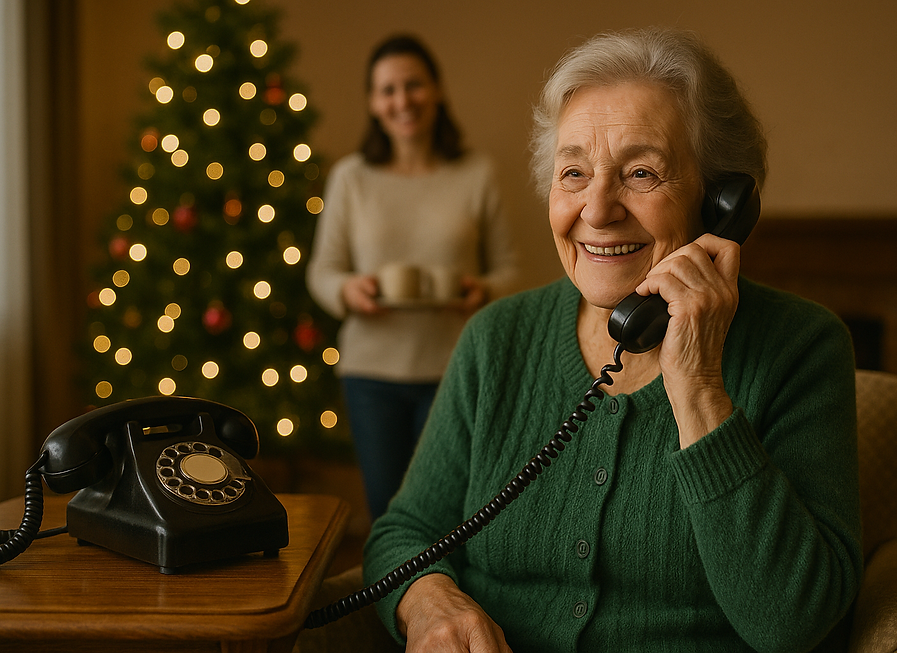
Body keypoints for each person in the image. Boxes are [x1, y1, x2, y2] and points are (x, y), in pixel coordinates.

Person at [362, 27, 863, 652]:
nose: (597, 210)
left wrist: (700, 387)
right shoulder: (498, 341)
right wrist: (431, 602)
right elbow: (404, 531)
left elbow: (794, 623)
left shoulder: (803, 348)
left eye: (641, 173)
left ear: (720, 203)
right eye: (573, 172)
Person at [306, 35, 518, 521]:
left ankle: (442, 599)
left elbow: (511, 269)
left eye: (414, 85)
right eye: (388, 90)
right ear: (373, 103)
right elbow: (322, 270)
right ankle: (394, 599)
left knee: (448, 514)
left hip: (454, 369)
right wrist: (347, 290)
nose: (402, 100)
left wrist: (483, 291)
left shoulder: (477, 173)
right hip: (371, 372)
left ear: (437, 90)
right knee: (388, 510)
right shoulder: (351, 178)